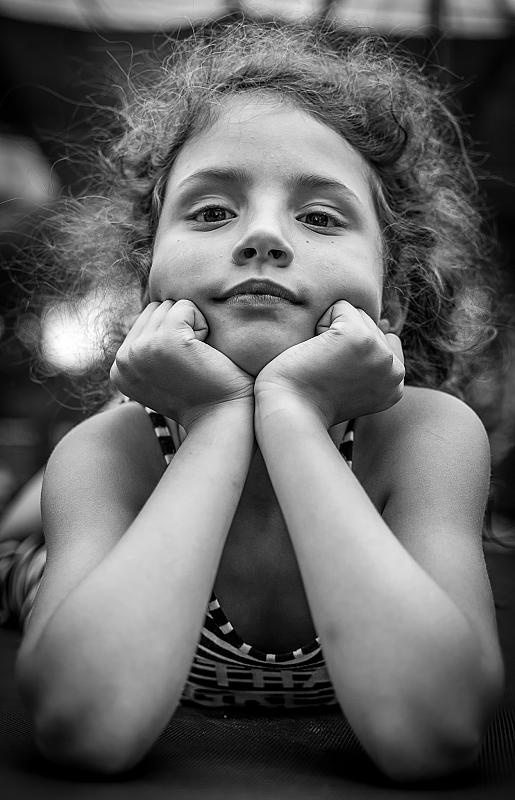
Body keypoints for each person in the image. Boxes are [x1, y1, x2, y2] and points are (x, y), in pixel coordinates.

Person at [1, 18, 505, 783]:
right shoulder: (113, 455)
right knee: (21, 538)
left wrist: (292, 413)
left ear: (391, 300)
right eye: (211, 212)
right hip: (33, 563)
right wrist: (210, 422)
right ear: (146, 284)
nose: (264, 237)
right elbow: (82, 727)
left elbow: (437, 731)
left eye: (320, 217)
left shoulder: (425, 437)